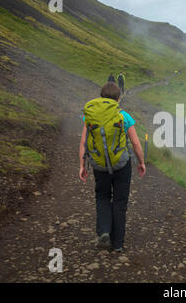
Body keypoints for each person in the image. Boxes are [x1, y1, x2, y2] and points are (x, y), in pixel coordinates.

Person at [79, 82, 146, 253]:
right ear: (118, 99)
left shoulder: (90, 117)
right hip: (122, 165)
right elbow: (136, 143)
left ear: (101, 98)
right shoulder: (124, 116)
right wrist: (141, 162)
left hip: (99, 165)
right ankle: (118, 244)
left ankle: (104, 231)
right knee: (120, 201)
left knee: (102, 197)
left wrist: (82, 165)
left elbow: (84, 142)